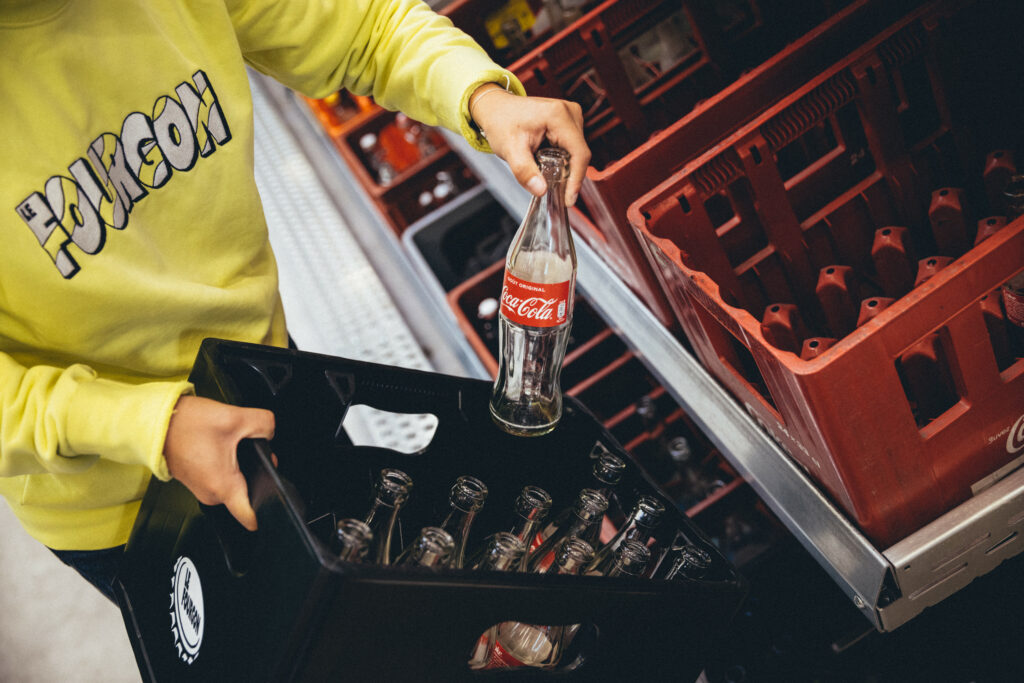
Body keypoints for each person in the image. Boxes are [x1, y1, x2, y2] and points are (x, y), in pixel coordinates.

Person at [0, 0, 590, 603]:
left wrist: (481, 95)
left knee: (380, 607)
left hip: (269, 381)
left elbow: (362, 26)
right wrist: (153, 427)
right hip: (121, 497)